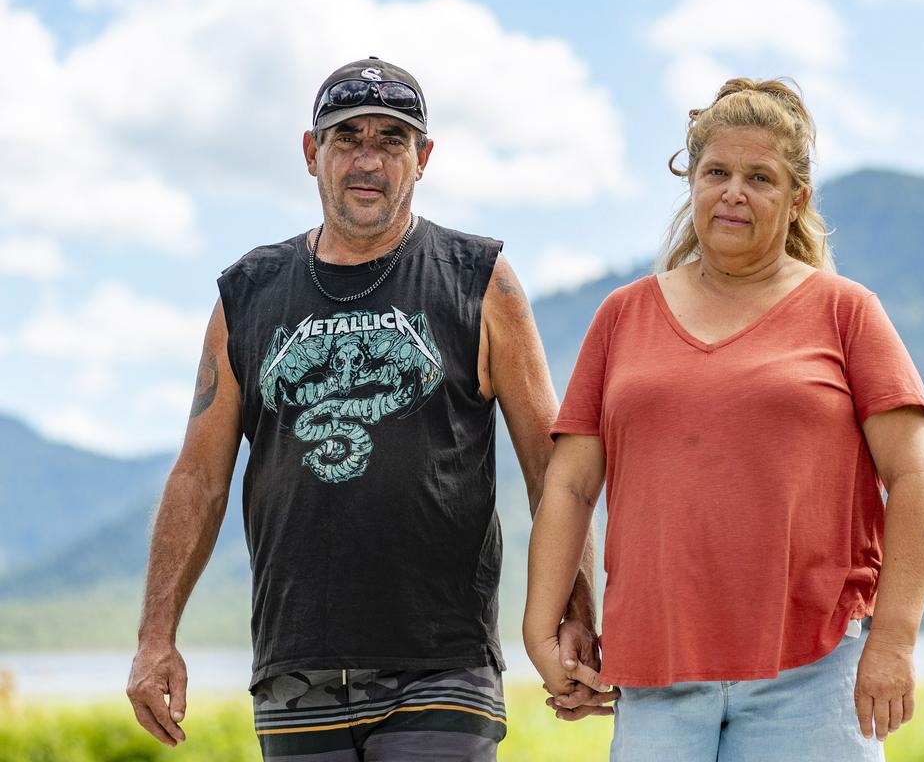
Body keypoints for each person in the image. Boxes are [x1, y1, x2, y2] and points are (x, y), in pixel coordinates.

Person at [126, 56, 598, 761]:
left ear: (423, 157)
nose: (368, 161)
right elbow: (198, 478)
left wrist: (578, 611)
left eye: (392, 140)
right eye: (348, 138)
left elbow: (553, 471)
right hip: (296, 666)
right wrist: (154, 637)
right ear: (312, 153)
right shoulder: (247, 294)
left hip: (443, 662)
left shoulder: (480, 280)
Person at [523, 77, 924, 761]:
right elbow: (570, 486)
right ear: (691, 181)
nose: (734, 192)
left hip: (814, 670)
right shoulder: (623, 316)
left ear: (797, 197)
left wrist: (894, 640)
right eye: (716, 171)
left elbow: (917, 475)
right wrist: (544, 629)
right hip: (656, 669)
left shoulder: (847, 312)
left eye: (761, 177)